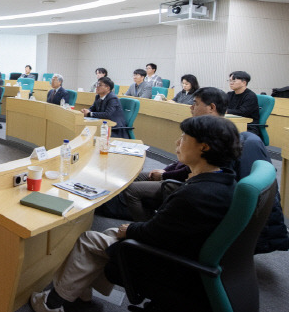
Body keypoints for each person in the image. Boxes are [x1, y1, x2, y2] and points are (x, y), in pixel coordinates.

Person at [30, 115, 240, 312]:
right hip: (187, 253)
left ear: (204, 147)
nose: (177, 142)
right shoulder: (225, 179)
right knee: (109, 234)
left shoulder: (194, 194)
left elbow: (153, 233)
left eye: (184, 138)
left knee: (88, 240)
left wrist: (130, 229)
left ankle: (53, 304)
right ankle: (77, 297)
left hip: (167, 262)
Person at [120, 87, 288, 253]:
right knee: (138, 177)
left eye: (195, 103)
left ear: (211, 107)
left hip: (194, 186)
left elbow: (194, 169)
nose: (191, 107)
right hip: (196, 183)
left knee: (133, 191)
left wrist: (166, 174)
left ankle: (153, 234)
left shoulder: (213, 136)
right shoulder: (220, 130)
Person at [227, 70, 261, 139]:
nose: (231, 83)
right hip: (234, 124)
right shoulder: (230, 94)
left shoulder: (250, 96)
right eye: (230, 81)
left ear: (244, 83)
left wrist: (226, 111)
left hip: (248, 126)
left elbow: (242, 112)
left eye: (234, 81)